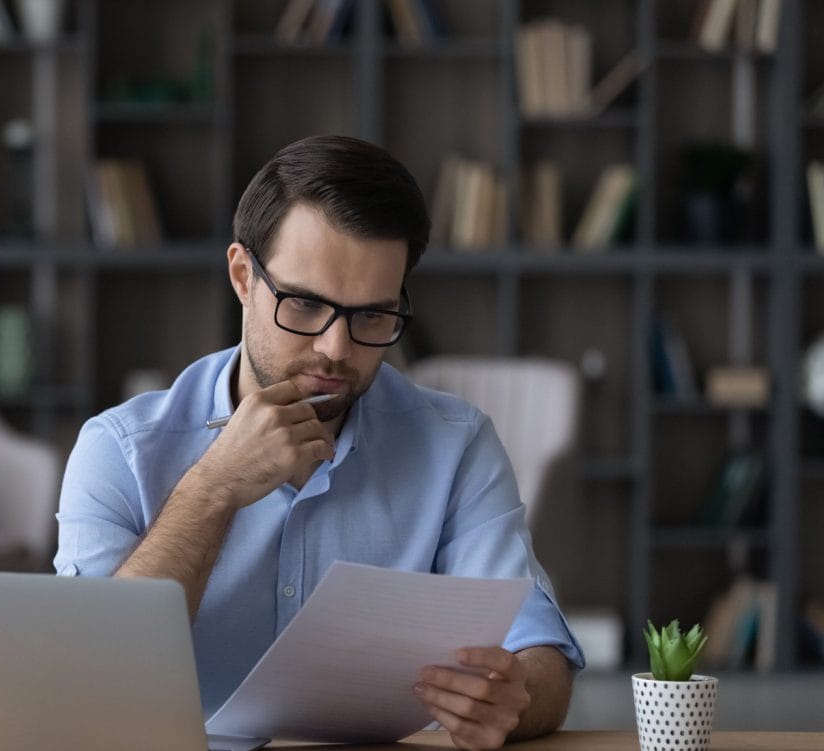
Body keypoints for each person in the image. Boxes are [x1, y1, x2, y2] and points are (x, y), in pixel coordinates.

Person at [55, 135, 584, 749]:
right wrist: (214, 488)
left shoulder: (456, 445)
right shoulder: (118, 449)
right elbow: (87, 682)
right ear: (242, 277)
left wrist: (512, 697)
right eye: (304, 305)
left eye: (372, 316)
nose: (337, 348)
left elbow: (539, 655)